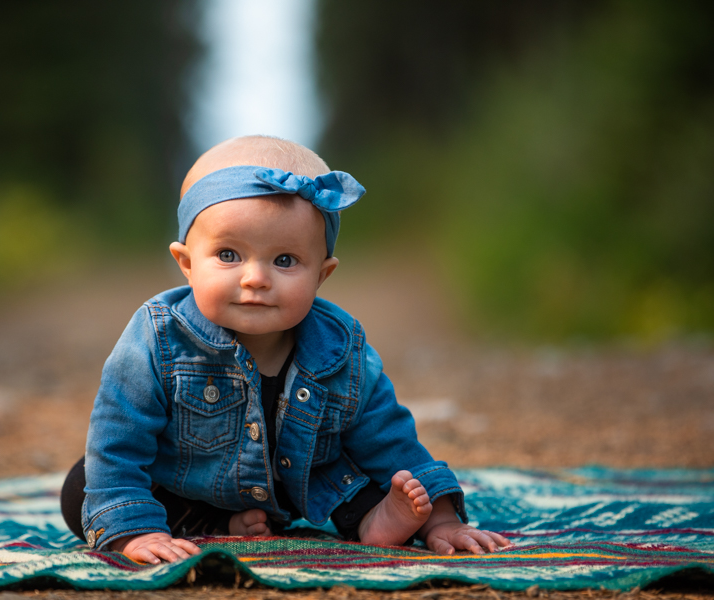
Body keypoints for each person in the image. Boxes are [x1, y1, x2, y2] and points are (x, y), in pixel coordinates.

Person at [60, 135, 512, 565]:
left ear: (322, 274)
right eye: (229, 255)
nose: (256, 278)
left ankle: (378, 521)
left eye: (284, 261)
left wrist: (441, 517)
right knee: (85, 486)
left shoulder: (339, 347)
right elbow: (119, 433)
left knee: (374, 475)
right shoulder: (158, 337)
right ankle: (212, 524)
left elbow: (388, 433)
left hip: (303, 486)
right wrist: (131, 529)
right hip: (189, 483)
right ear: (186, 264)